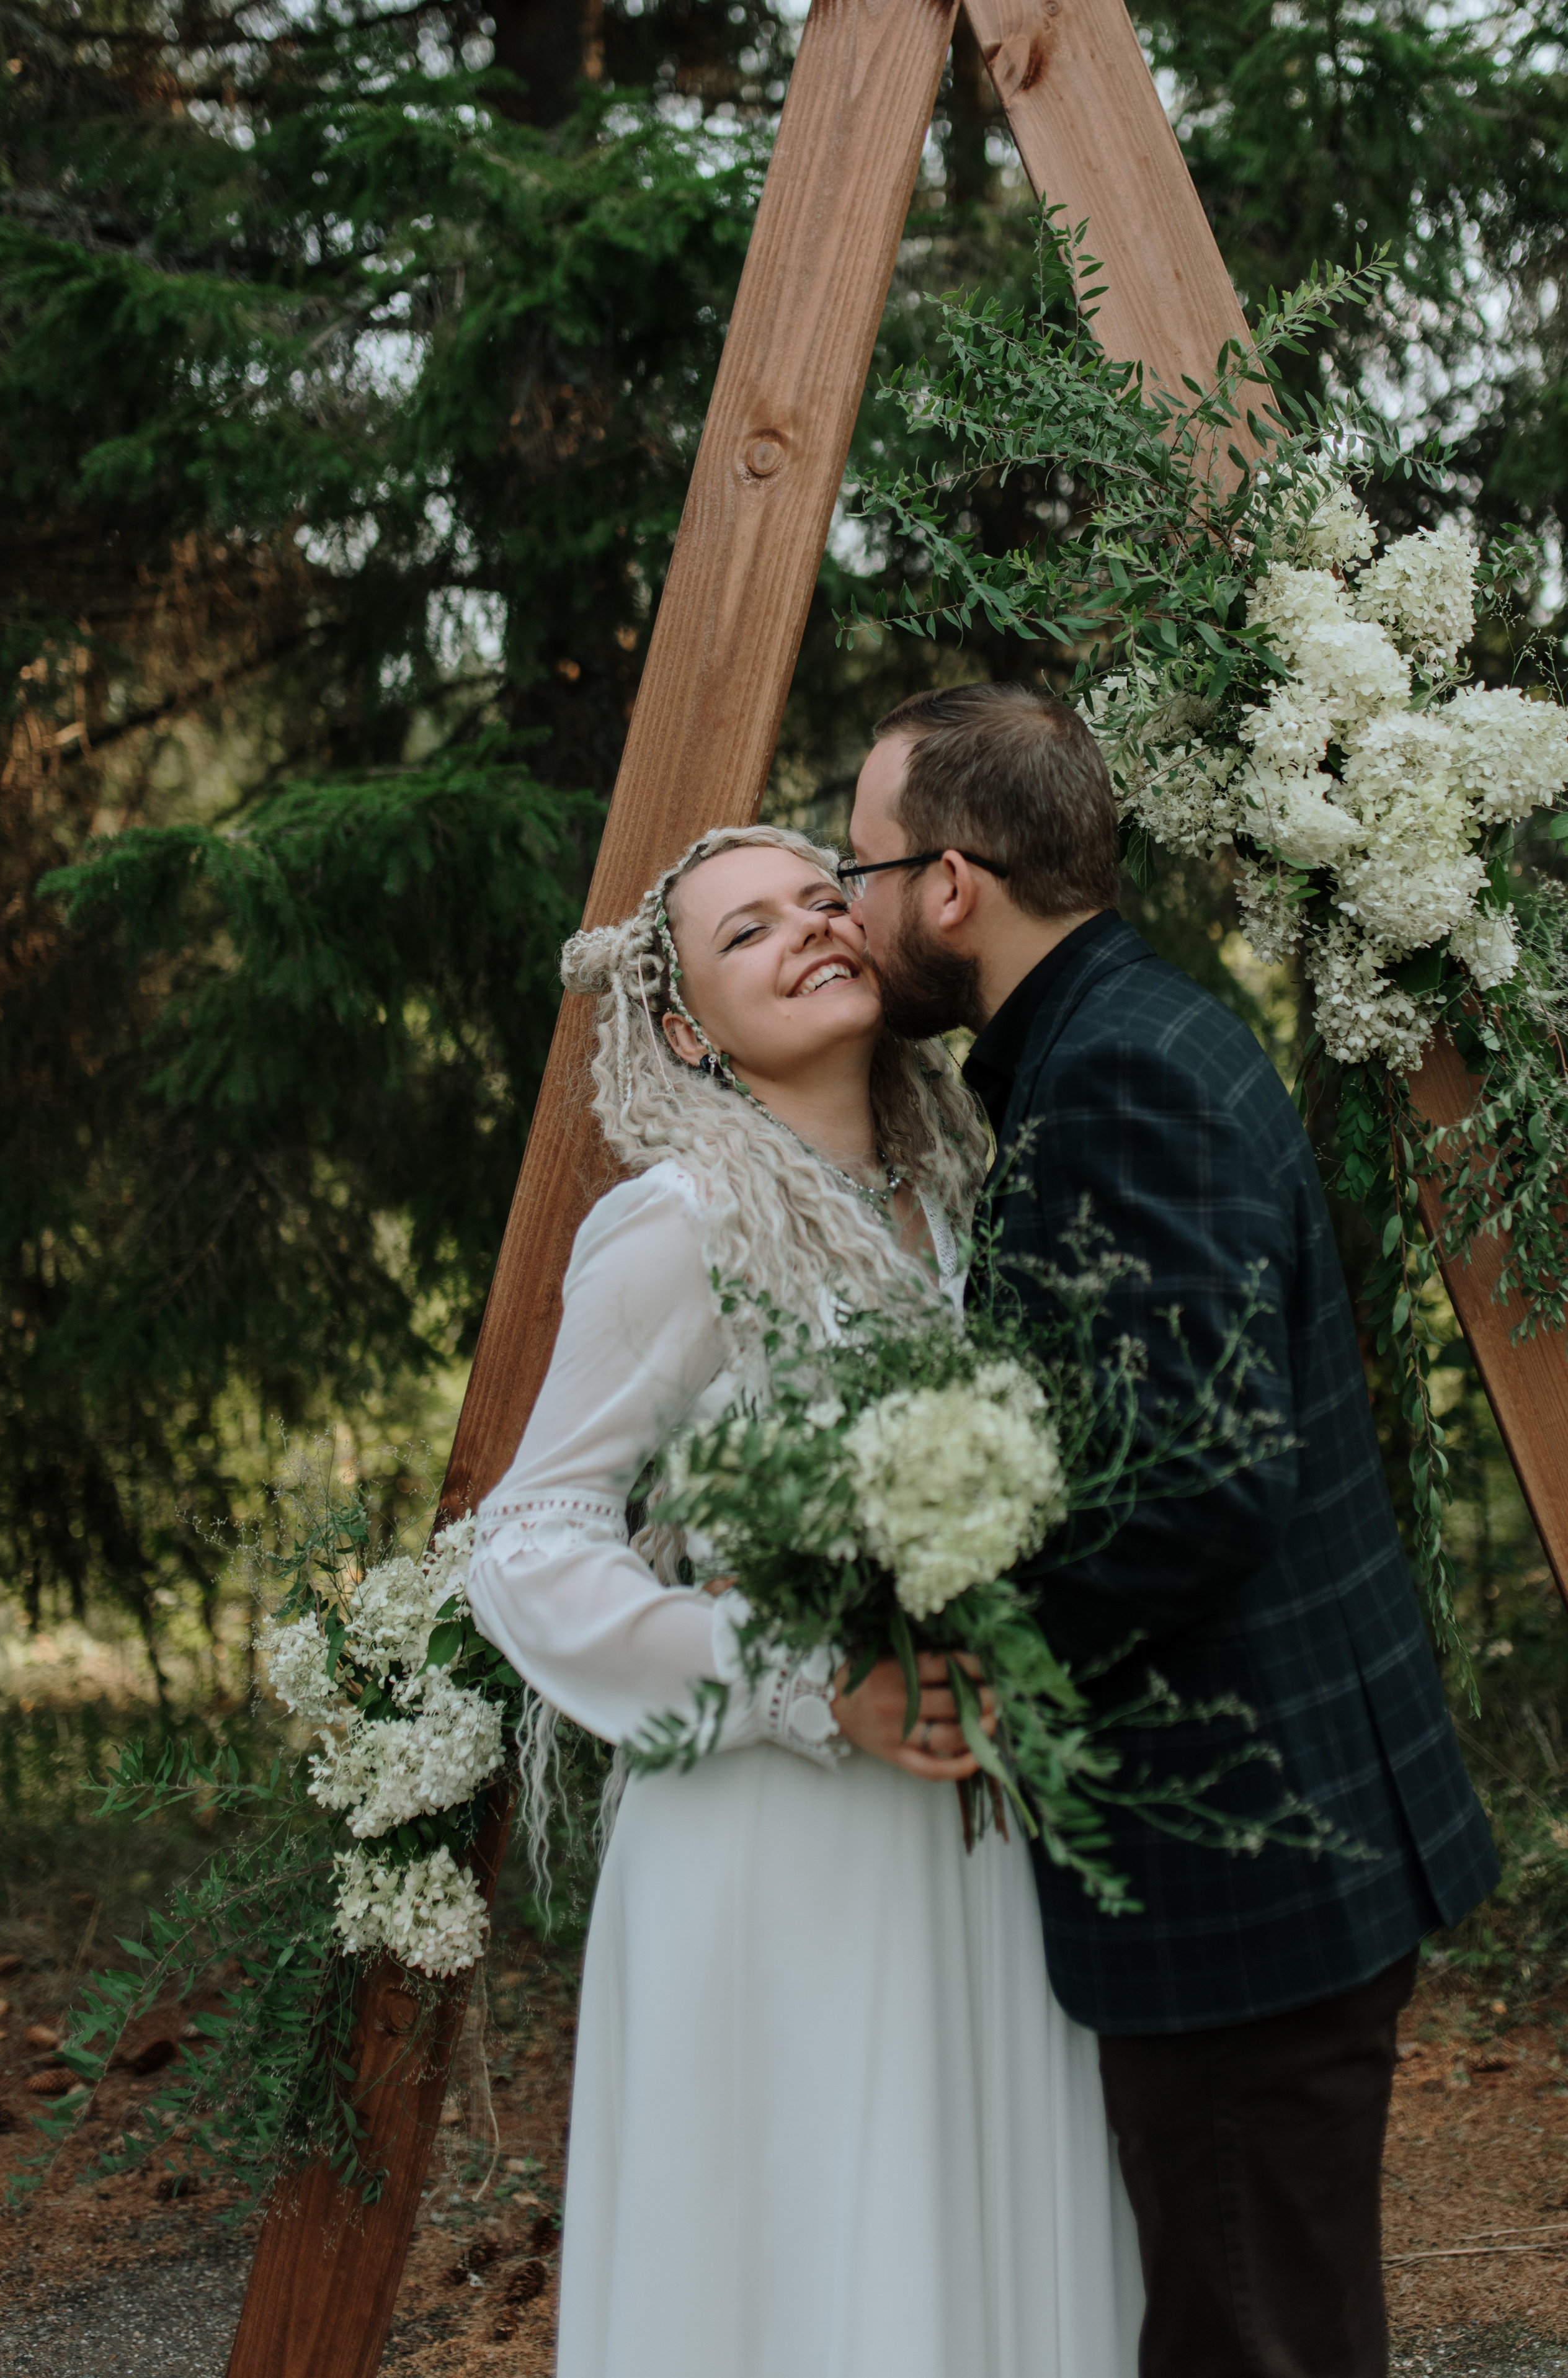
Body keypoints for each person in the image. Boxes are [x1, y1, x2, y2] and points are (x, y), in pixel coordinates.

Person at [845, 682, 1500, 2378]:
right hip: (1281, 1837)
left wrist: (975, 1647)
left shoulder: (1117, 1073)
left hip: (1245, 1863)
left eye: (858, 869)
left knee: (1249, 2341)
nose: (847, 912)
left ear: (953, 883)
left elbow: (1199, 1483)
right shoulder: (1124, 1031)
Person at [466, 824, 1144, 2378]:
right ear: (687, 1029)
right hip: (777, 1837)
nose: (807, 933)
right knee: (813, 2265)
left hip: (977, 1832)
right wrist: (798, 1673)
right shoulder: (681, 1222)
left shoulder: (973, 1190)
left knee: (974, 2237)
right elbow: (533, 1538)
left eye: (822, 902)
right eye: (746, 932)